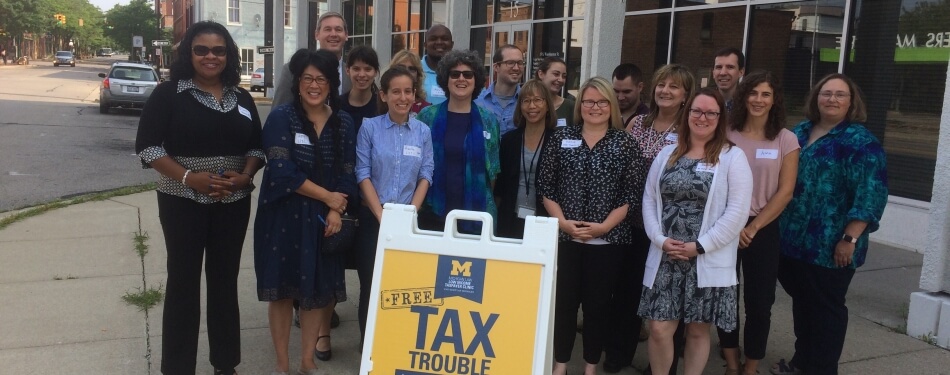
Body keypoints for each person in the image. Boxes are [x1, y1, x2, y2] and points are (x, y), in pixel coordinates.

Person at [135, 21, 264, 375]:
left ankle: (226, 364)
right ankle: (177, 368)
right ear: (189, 53)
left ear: (229, 55)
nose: (211, 56)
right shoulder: (169, 94)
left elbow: (256, 145)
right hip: (181, 202)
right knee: (183, 283)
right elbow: (148, 147)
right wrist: (191, 178)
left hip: (233, 204)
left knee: (224, 282)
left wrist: (245, 176)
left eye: (219, 50)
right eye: (202, 49)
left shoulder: (242, 97)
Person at [772, 74, 888, 375]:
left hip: (831, 245)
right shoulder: (799, 132)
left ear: (851, 102)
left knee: (826, 310)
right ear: (816, 97)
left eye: (840, 95)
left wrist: (849, 239)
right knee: (803, 304)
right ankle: (802, 362)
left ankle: (821, 369)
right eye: (826, 93)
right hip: (792, 240)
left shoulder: (861, 142)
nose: (832, 99)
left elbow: (871, 194)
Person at [254, 49, 357, 375]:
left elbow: (347, 170)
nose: (314, 85)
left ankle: (307, 361)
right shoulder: (282, 117)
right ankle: (283, 365)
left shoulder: (343, 121)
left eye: (321, 79)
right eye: (308, 79)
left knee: (317, 293)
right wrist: (329, 197)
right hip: (283, 216)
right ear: (298, 83)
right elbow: (281, 170)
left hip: (325, 220)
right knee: (283, 292)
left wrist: (336, 210)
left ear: (331, 84)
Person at [639, 87, 752, 375]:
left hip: (705, 258)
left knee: (698, 332)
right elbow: (650, 199)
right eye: (696, 111)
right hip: (667, 255)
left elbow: (737, 212)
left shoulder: (732, 157)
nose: (702, 117)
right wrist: (661, 240)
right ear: (687, 113)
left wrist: (699, 246)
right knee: (659, 329)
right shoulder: (667, 154)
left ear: (720, 117)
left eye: (710, 112)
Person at [538, 76, 646, 375]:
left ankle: (590, 366)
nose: (594, 107)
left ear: (610, 105)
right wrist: (563, 223)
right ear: (580, 105)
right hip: (565, 239)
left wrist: (603, 227)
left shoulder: (625, 142)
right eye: (588, 101)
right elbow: (546, 187)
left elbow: (630, 193)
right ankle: (560, 364)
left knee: (598, 308)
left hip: (608, 242)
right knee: (565, 306)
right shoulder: (561, 138)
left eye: (601, 102)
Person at [717, 71, 799, 375]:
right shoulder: (726, 131)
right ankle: (732, 361)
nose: (758, 100)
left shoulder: (785, 139)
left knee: (759, 303)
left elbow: (786, 191)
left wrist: (752, 227)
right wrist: (733, 225)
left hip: (762, 228)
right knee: (725, 297)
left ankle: (751, 366)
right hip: (725, 224)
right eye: (753, 93)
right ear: (743, 97)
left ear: (774, 99)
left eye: (766, 94)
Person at [354, 66, 434, 347]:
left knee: (403, 288)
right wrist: (382, 215)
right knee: (372, 287)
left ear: (415, 95)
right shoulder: (369, 127)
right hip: (373, 219)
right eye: (396, 91)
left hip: (408, 221)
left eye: (408, 91)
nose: (403, 97)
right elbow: (362, 173)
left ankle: (396, 347)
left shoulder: (423, 131)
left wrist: (410, 214)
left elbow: (426, 174)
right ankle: (369, 351)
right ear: (384, 95)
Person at [630, 63, 697, 375]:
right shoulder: (637, 124)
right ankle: (623, 349)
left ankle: (665, 367)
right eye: (661, 85)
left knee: (670, 301)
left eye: (673, 87)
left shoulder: (690, 129)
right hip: (633, 220)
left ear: (685, 95)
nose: (665, 91)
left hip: (671, 226)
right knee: (633, 290)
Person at [415, 49, 501, 233]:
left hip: (477, 215)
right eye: (455, 74)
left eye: (468, 74)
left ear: (476, 80)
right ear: (446, 79)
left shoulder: (489, 120)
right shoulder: (427, 116)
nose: (461, 79)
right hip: (433, 213)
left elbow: (492, 173)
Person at [494, 79, 556, 239]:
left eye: (537, 100)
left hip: (545, 220)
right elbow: (500, 185)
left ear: (548, 105)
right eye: (526, 101)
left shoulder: (558, 141)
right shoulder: (509, 140)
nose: (532, 106)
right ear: (520, 107)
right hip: (510, 218)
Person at [273, 12, 351, 106]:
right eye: (327, 29)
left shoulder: (353, 74)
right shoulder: (293, 69)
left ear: (346, 35)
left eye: (338, 29)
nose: (333, 34)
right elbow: (279, 110)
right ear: (317, 35)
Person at [475, 44, 524, 135]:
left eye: (520, 63)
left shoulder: (527, 102)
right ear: (496, 67)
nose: (516, 68)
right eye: (510, 63)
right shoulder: (477, 101)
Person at [340, 45, 380, 129]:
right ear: (347, 70)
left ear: (375, 72)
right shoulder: (337, 105)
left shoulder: (382, 106)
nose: (362, 74)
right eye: (356, 69)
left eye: (368, 69)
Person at [535, 56, 575, 128]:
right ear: (541, 74)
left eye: (564, 76)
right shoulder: (528, 104)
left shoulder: (570, 106)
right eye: (556, 74)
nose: (561, 79)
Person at [389, 49, 431, 116]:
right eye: (401, 67)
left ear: (418, 75)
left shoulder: (426, 110)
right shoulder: (383, 102)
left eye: (411, 69)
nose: (406, 72)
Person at [421, 24, 454, 105]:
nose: (439, 42)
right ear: (425, 45)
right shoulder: (414, 69)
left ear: (452, 44)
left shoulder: (462, 73)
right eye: (433, 39)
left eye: (445, 39)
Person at [613, 63, 650, 128]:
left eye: (626, 92)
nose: (620, 97)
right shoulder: (605, 113)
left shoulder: (648, 118)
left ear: (640, 87)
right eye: (616, 91)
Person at [712, 47, 745, 112]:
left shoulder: (748, 106)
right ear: (713, 73)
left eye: (730, 67)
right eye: (719, 67)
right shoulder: (702, 102)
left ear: (741, 72)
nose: (723, 73)